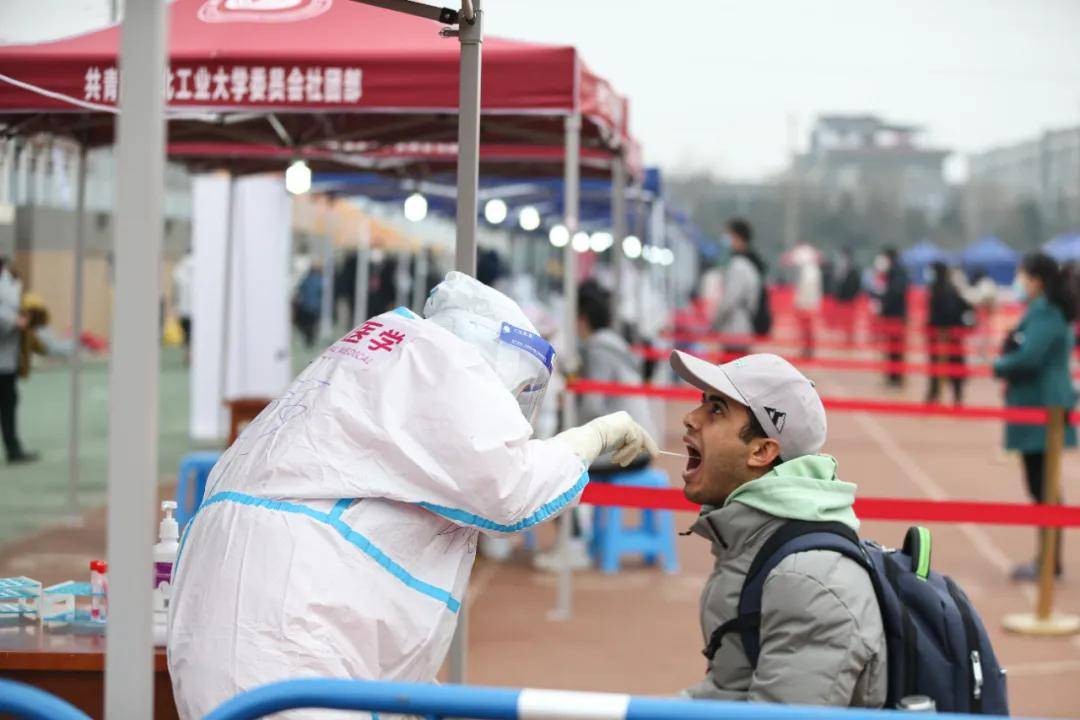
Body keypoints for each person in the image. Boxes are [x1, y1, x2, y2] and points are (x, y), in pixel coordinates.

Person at [168, 272, 658, 719]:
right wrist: (594, 436)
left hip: (255, 600)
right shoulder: (441, 369)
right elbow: (511, 490)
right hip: (288, 622)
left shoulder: (387, 356)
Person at [669, 350, 886, 706]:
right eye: (702, 403)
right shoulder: (752, 539)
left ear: (762, 451)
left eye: (717, 409)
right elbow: (731, 689)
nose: (690, 419)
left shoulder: (807, 580)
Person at [534, 282, 658, 571]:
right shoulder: (614, 343)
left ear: (582, 318)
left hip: (627, 450)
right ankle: (575, 540)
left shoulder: (597, 349)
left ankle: (573, 544)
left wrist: (569, 407)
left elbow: (591, 407)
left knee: (558, 470)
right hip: (638, 443)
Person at [993, 253, 1078, 582]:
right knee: (1043, 484)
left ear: (1037, 279)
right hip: (1041, 403)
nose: (1020, 282)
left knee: (1044, 484)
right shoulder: (1048, 311)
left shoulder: (1046, 312)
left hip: (1042, 406)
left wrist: (1000, 365)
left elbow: (1029, 357)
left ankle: (1048, 563)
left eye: (1023, 276)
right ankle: (1047, 560)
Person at [0, 258, 37, 465]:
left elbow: (15, 304)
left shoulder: (8, 281)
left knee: (9, 403)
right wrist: (15, 322)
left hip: (7, 359)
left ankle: (13, 448)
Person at [714, 218, 765, 355]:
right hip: (743, 328)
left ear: (738, 237)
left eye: (728, 235)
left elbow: (729, 300)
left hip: (735, 330)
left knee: (731, 371)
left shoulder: (739, 266)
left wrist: (715, 322)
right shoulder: (750, 264)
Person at [925, 262, 971, 406]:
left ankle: (954, 397)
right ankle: (935, 396)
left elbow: (957, 309)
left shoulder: (947, 289)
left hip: (946, 335)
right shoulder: (937, 288)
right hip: (940, 334)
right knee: (938, 368)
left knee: (951, 367)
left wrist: (944, 326)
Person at [873, 248, 909, 387]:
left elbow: (894, 293)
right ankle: (893, 375)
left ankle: (896, 377)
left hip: (896, 315)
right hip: (893, 314)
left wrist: (883, 301)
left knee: (896, 348)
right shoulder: (894, 271)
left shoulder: (897, 272)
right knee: (892, 347)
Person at [791, 245, 823, 359]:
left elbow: (806, 291)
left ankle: (808, 350)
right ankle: (807, 349)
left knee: (807, 330)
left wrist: (799, 304)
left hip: (806, 306)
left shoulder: (809, 271)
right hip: (809, 305)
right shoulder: (812, 270)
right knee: (807, 330)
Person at [831, 248, 862, 347]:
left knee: (850, 323)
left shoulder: (854, 271)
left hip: (850, 300)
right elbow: (836, 285)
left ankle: (850, 341)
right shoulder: (839, 270)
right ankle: (843, 341)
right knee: (842, 323)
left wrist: (853, 296)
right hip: (841, 301)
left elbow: (857, 285)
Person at [292, 263, 323, 348]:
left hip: (306, 306)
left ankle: (308, 338)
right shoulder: (320, 280)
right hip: (316, 307)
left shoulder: (306, 280)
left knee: (306, 324)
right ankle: (311, 339)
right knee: (313, 324)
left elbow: (299, 290)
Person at [172, 251, 194, 363]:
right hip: (195, 309)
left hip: (184, 308)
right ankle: (191, 354)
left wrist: (175, 306)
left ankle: (188, 353)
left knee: (187, 333)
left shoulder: (179, 269)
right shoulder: (205, 265)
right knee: (193, 334)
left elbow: (176, 290)